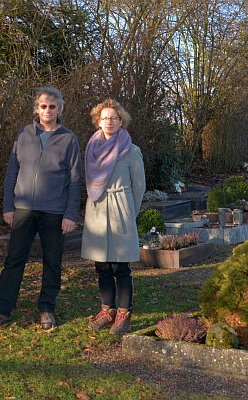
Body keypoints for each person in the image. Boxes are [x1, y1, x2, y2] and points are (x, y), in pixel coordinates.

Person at [0, 86, 82, 329]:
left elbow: (76, 180)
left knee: (52, 261)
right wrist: (8, 206)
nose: (48, 110)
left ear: (60, 109)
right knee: (14, 259)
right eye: (43, 106)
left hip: (55, 212)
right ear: (37, 108)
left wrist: (70, 214)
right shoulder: (24, 135)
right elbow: (12, 172)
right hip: (24, 209)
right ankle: (1, 309)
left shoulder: (69, 139)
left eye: (52, 106)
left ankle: (47, 309)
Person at [81, 99, 145, 335]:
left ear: (121, 122)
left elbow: (139, 186)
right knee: (102, 265)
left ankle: (124, 314)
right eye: (105, 118)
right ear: (98, 122)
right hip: (97, 210)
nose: (109, 121)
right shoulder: (91, 149)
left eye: (114, 118)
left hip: (121, 210)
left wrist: (130, 213)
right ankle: (106, 311)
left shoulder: (131, 150)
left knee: (121, 266)